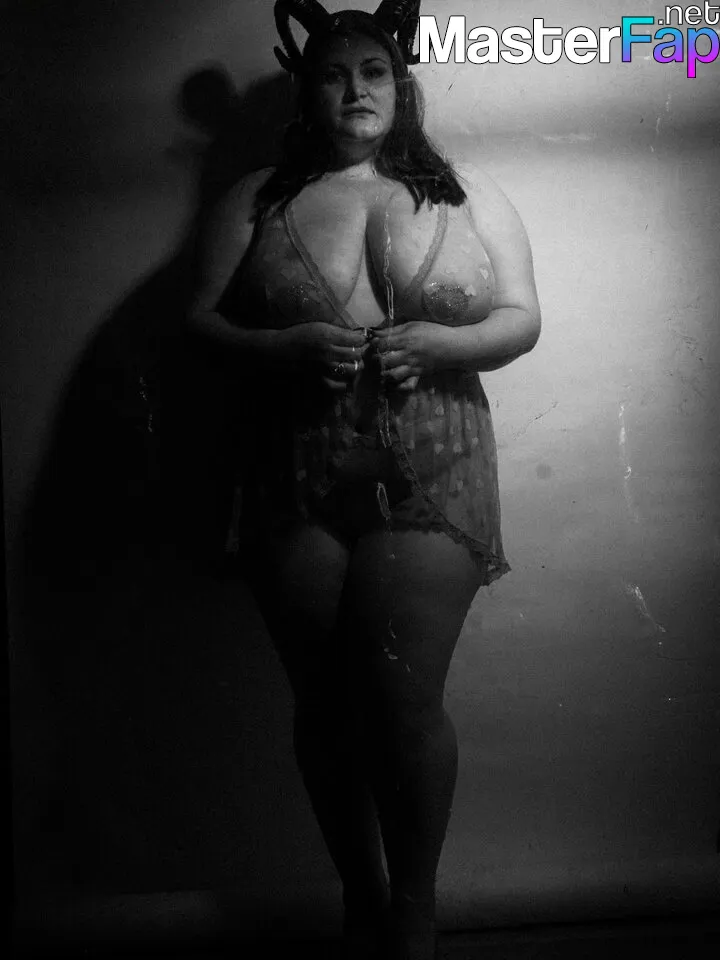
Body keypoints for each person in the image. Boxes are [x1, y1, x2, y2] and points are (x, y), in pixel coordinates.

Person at [187, 2, 541, 957]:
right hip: (291, 458)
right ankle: (361, 894)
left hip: (436, 455)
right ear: (308, 90)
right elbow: (198, 321)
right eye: (335, 74)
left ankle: (414, 908)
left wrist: (448, 343)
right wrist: (283, 346)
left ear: (402, 84)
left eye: (373, 72)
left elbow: (522, 316)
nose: (356, 91)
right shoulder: (258, 196)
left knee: (404, 698)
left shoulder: (467, 193)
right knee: (325, 699)